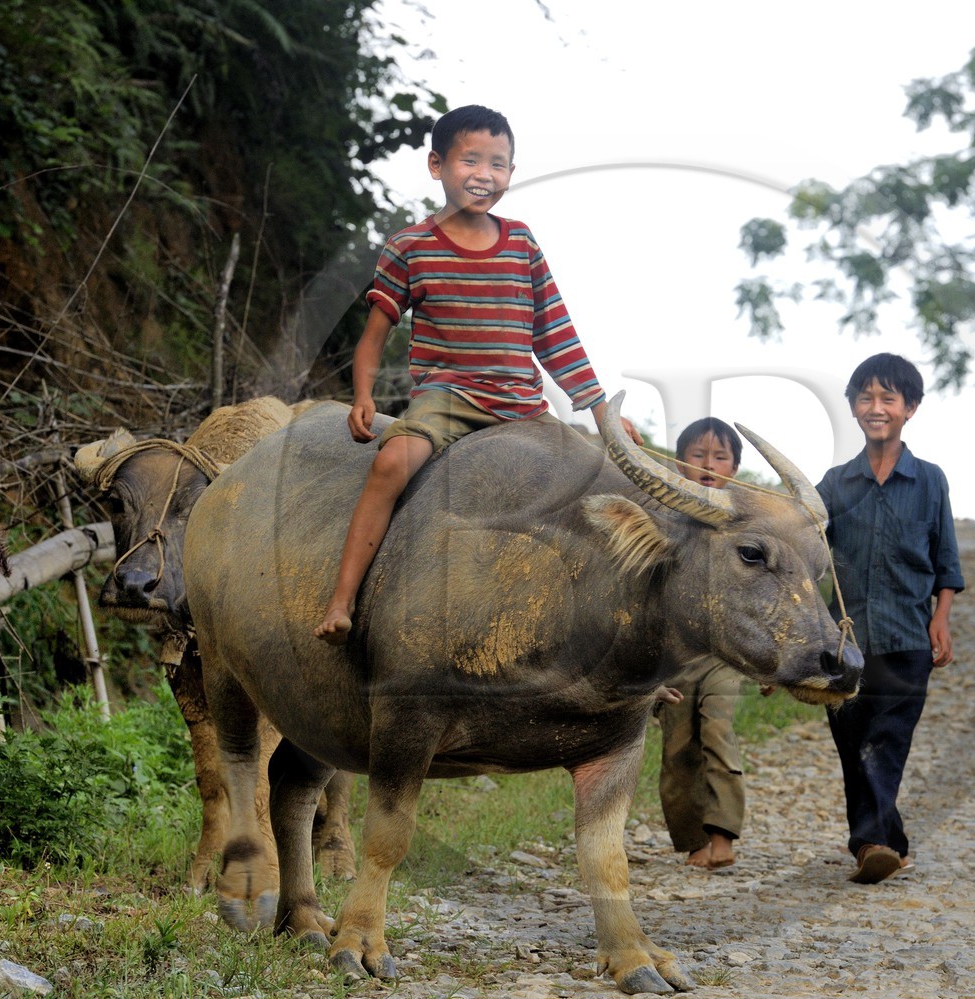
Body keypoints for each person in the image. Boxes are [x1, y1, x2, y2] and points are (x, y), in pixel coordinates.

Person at [315, 104, 636, 642]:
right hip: (447, 398)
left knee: (602, 482)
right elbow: (374, 336)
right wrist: (363, 395)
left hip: (522, 405)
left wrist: (602, 411)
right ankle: (342, 600)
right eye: (470, 160)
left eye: (499, 164)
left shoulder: (521, 243)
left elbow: (555, 334)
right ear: (436, 165)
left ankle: (622, 635)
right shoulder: (410, 247)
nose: (484, 175)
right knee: (391, 463)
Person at [816, 353, 963, 884]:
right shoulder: (833, 485)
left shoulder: (929, 481)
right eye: (865, 398)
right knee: (853, 745)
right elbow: (807, 561)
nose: (876, 408)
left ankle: (870, 843)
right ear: (853, 407)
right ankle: (890, 842)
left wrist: (941, 618)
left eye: (888, 399)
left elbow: (946, 559)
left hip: (906, 638)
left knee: (887, 740)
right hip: (845, 647)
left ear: (910, 408)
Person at [652, 418, 764, 869]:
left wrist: (767, 662)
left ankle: (723, 837)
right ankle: (693, 842)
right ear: (679, 463)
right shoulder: (663, 517)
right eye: (697, 455)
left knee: (717, 733)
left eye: (720, 457)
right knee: (677, 749)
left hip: (724, 654)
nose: (708, 465)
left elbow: (761, 596)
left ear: (735, 467)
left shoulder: (747, 523)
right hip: (674, 656)